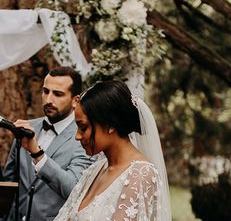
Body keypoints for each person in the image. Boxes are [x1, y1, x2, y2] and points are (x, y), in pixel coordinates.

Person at [54, 80, 171, 221]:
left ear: (110, 125)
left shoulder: (141, 175)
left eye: (83, 127)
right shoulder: (94, 171)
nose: (77, 136)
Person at [0, 66, 94, 221]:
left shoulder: (84, 137)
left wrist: (37, 153)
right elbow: (8, 185)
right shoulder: (27, 128)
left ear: (75, 100)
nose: (49, 100)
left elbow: (74, 189)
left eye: (58, 94)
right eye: (45, 91)